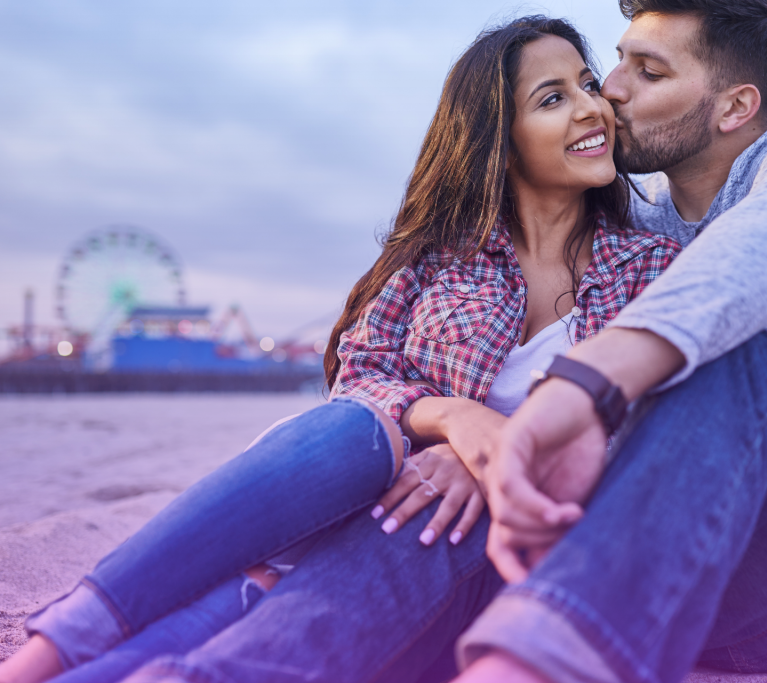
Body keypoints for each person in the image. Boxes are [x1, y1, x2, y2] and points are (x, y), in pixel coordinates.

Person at [0, 15, 682, 683]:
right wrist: (452, 418)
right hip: (356, 500)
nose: (592, 108)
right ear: (500, 141)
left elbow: (649, 430)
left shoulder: (650, 268)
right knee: (352, 432)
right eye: (553, 97)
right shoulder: (440, 259)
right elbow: (363, 375)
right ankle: (50, 648)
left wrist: (499, 457)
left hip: (470, 546)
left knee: (426, 523)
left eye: (588, 84)